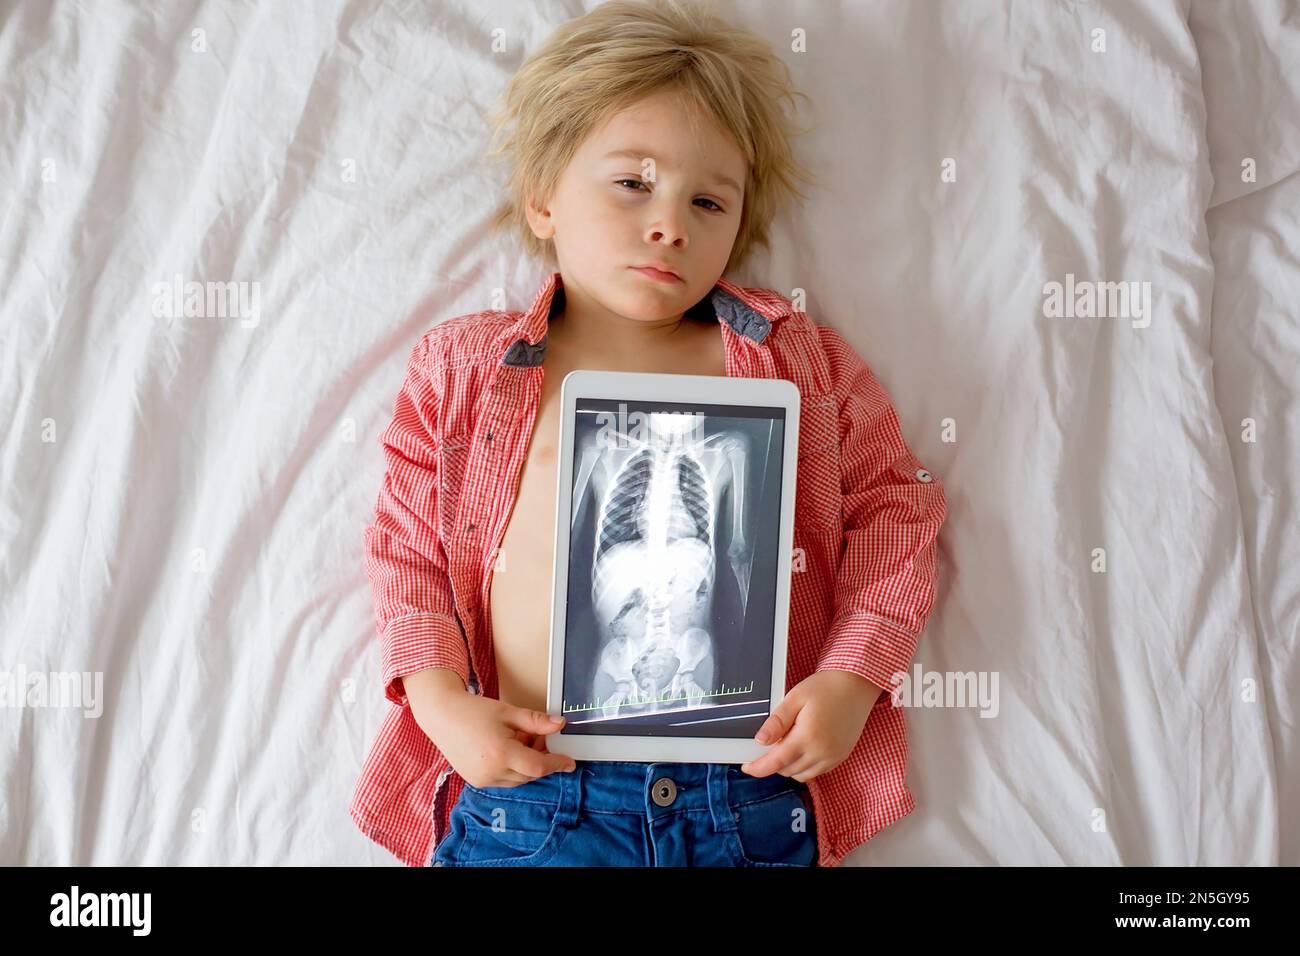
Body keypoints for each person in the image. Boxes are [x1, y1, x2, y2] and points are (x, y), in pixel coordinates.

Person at [350, 0, 948, 868]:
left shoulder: (794, 360)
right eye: (633, 182)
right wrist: (442, 702)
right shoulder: (468, 367)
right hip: (535, 789)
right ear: (544, 198)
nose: (670, 222)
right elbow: (405, 551)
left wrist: (853, 678)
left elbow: (897, 512)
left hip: (743, 795)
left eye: (709, 201)